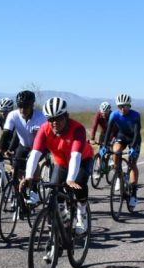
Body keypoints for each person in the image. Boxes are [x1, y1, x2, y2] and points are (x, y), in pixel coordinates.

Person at [20, 97, 94, 233]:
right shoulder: (44, 130)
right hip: (61, 163)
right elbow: (35, 154)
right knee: (56, 192)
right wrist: (29, 176)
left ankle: (82, 214)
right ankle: (64, 219)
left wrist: (70, 179)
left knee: (79, 183)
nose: (54, 123)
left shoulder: (77, 129)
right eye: (51, 119)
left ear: (66, 116)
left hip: (83, 160)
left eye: (59, 118)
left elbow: (75, 156)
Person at [0, 90, 46, 203]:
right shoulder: (13, 115)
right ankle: (20, 194)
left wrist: (33, 155)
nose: (22, 109)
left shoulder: (40, 117)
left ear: (32, 105)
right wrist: (0, 150)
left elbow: (41, 139)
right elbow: (7, 134)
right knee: (16, 167)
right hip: (23, 145)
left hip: (40, 146)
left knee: (33, 161)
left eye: (26, 106)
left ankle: (34, 189)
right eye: (20, 106)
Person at [106, 93, 142, 210]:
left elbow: (136, 133)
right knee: (115, 150)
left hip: (134, 139)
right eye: (120, 106)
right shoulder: (114, 115)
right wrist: (104, 146)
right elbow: (108, 131)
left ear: (129, 106)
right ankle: (118, 174)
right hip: (122, 136)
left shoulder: (135, 115)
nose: (122, 109)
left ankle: (133, 194)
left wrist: (133, 148)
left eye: (125, 106)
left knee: (132, 164)